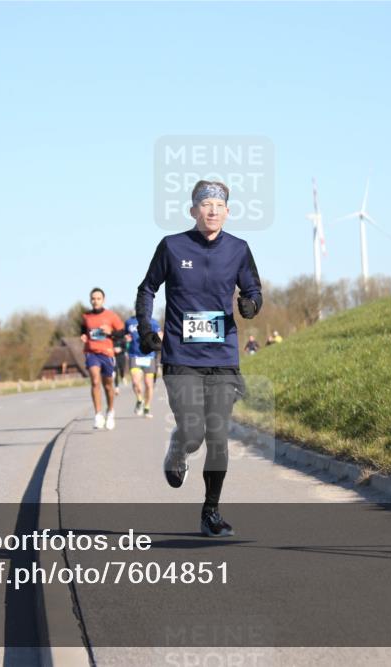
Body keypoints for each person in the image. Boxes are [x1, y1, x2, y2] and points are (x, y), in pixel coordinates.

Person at [136, 179, 263, 537]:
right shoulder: (172, 247)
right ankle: (179, 447)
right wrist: (147, 328)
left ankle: (211, 511)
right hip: (181, 357)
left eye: (218, 205)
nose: (212, 210)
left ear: (227, 212)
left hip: (223, 357)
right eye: (205, 205)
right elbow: (147, 288)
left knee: (218, 435)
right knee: (194, 433)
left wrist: (250, 305)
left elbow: (253, 290)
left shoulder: (238, 249)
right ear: (193, 211)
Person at [80, 288, 125, 430]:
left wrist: (111, 332)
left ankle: (110, 411)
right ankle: (98, 415)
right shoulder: (86, 316)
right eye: (93, 298)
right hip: (92, 352)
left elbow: (122, 333)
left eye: (98, 298)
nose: (95, 301)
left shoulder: (111, 316)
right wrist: (83, 337)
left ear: (103, 300)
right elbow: (83, 331)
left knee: (108, 385)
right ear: (90, 300)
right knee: (95, 381)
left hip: (107, 353)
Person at [124, 311, 162, 418]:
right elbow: (124, 335)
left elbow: (159, 337)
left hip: (149, 357)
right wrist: (126, 339)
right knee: (136, 383)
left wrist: (159, 338)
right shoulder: (129, 322)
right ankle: (140, 399)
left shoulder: (153, 322)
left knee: (149, 385)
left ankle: (147, 407)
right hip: (134, 355)